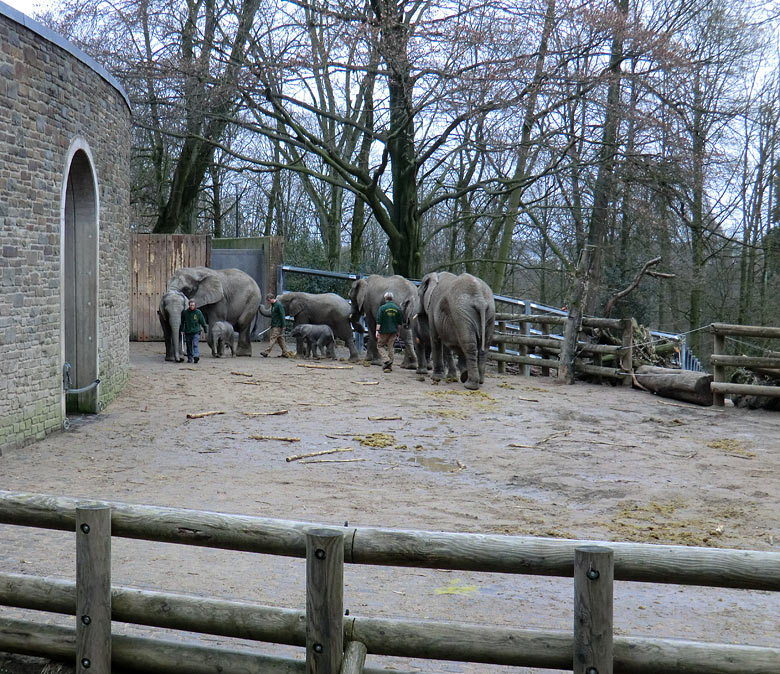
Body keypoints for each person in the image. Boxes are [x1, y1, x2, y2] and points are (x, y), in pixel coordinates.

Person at [375, 291, 402, 373]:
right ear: (392, 298)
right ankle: (389, 366)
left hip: (384, 331)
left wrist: (377, 331)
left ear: (385, 298)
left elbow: (379, 321)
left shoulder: (382, 308)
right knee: (391, 348)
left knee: (380, 346)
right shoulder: (397, 309)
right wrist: (398, 332)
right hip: (393, 331)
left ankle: (386, 360)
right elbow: (399, 323)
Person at [180, 299, 208, 364]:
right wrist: (182, 330)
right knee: (189, 346)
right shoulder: (185, 313)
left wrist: (205, 329)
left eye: (193, 305)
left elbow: (202, 321)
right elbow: (183, 322)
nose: (192, 306)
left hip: (196, 331)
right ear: (189, 305)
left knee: (195, 344)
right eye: (191, 305)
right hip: (188, 332)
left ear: (195, 305)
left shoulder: (198, 312)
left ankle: (196, 356)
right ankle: (190, 358)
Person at [261, 293, 289, 358]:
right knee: (280, 339)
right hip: (275, 325)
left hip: (278, 326)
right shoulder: (273, 305)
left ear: (272, 299)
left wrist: (284, 325)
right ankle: (285, 353)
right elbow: (274, 316)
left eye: (269, 300)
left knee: (273, 338)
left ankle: (266, 352)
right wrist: (272, 325)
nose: (268, 302)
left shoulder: (278, 305)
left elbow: (282, 315)